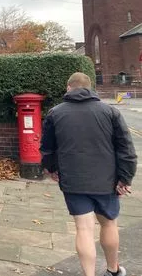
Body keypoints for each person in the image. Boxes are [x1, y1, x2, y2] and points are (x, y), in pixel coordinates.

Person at [40, 72, 137, 276]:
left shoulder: (55, 113)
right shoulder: (110, 112)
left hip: (73, 180)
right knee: (109, 223)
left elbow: (47, 148)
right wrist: (125, 178)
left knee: (83, 229)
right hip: (107, 181)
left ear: (69, 87)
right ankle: (113, 270)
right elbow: (126, 149)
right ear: (90, 88)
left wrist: (52, 168)